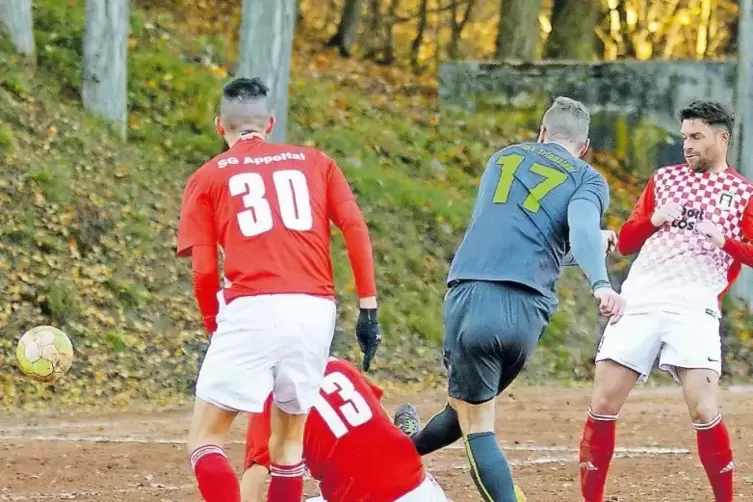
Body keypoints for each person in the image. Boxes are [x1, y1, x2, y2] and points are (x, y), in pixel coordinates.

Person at [394, 96, 625, 502]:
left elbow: (522, 231)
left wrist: (589, 254)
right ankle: (399, 452)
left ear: (541, 133)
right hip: (523, 310)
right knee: (464, 409)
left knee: (473, 417)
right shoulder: (586, 177)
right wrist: (600, 281)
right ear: (584, 147)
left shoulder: (502, 159)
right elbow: (580, 229)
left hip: (469, 294)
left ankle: (396, 452)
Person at [176, 77, 381, 502]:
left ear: (220, 126)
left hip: (251, 305)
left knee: (205, 439)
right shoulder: (317, 162)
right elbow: (355, 227)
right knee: (288, 447)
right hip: (313, 309)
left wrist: (214, 324)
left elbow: (202, 272)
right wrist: (368, 308)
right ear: (270, 123)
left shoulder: (207, 176)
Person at [578, 100, 752, 502]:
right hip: (641, 297)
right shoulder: (664, 179)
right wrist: (653, 219)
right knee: (603, 402)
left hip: (695, 305)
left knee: (704, 411)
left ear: (722, 138)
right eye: (684, 137)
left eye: (696, 137)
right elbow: (624, 242)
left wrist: (723, 240)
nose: (687, 145)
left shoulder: (743, 193)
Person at [240, 357, 449, 502]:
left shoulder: (270, 397)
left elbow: (250, 492)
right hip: (422, 490)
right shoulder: (340, 367)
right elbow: (377, 425)